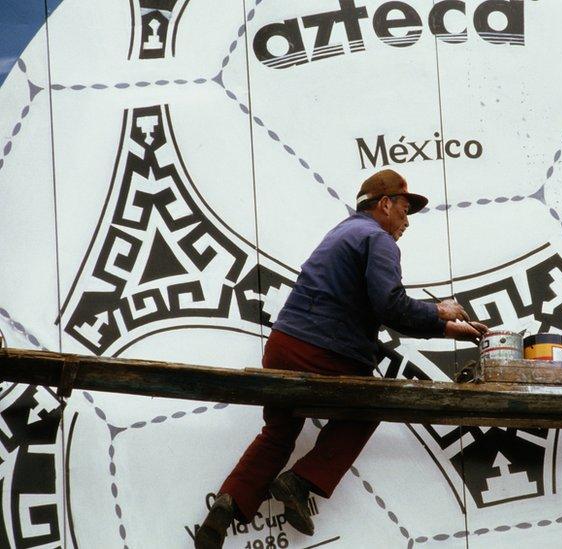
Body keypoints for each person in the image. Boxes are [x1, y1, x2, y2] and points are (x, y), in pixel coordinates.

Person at [194, 169, 488, 548]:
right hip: (321, 351)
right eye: (404, 209)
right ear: (384, 204)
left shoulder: (342, 233)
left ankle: (226, 506)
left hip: (284, 346)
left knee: (279, 433)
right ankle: (300, 481)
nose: (406, 221)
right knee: (373, 402)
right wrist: (441, 311)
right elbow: (392, 307)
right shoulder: (378, 240)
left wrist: (445, 329)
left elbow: (373, 310)